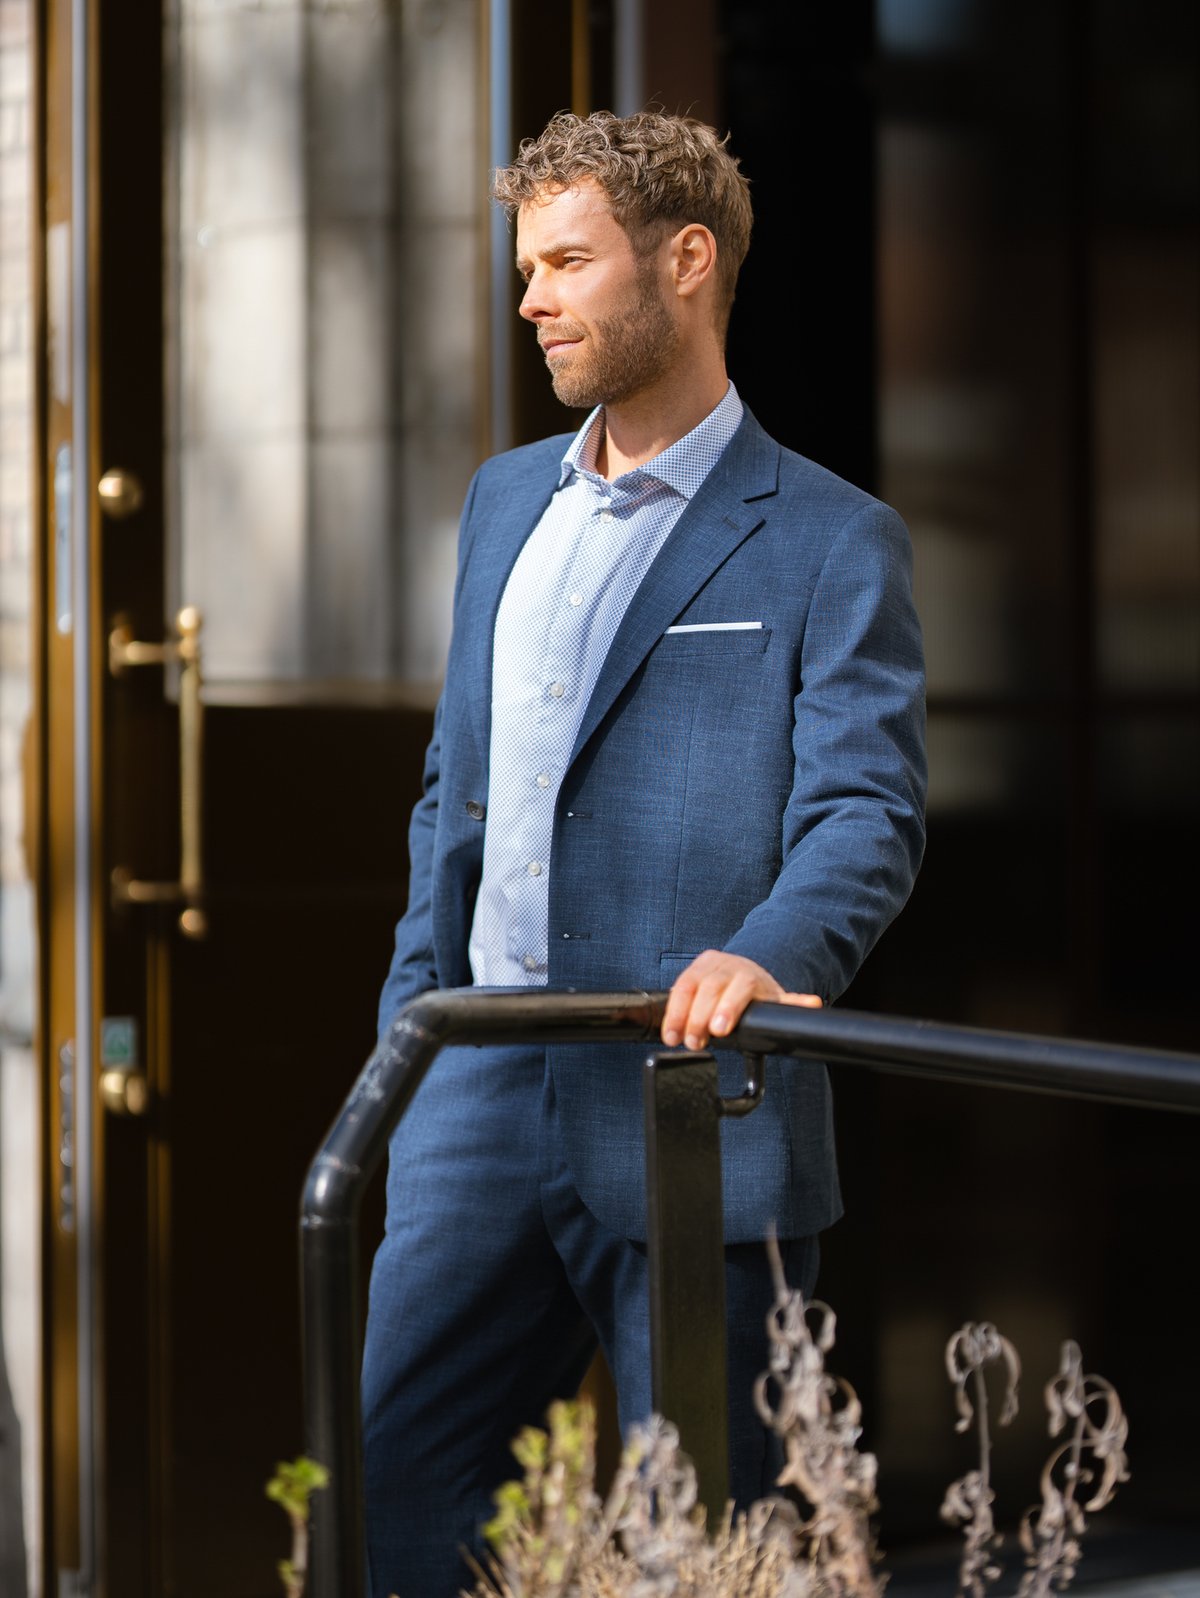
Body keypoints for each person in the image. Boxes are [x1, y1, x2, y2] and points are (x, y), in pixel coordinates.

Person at [362, 109, 926, 1598]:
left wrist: (771, 954)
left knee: (710, 1539)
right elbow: (452, 788)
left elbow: (868, 809)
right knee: (406, 1493)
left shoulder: (830, 539)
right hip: (473, 1082)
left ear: (684, 263)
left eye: (565, 263)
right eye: (525, 263)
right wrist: (411, 1021)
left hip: (691, 1095)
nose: (530, 296)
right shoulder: (500, 502)